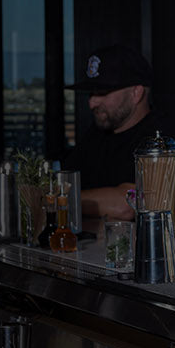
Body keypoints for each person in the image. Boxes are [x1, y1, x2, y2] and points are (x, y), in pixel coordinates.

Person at [64, 44, 158, 222]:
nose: (92, 103)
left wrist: (60, 199)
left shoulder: (161, 139)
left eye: (102, 92)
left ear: (136, 93)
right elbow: (64, 181)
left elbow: (128, 205)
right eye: (91, 93)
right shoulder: (96, 135)